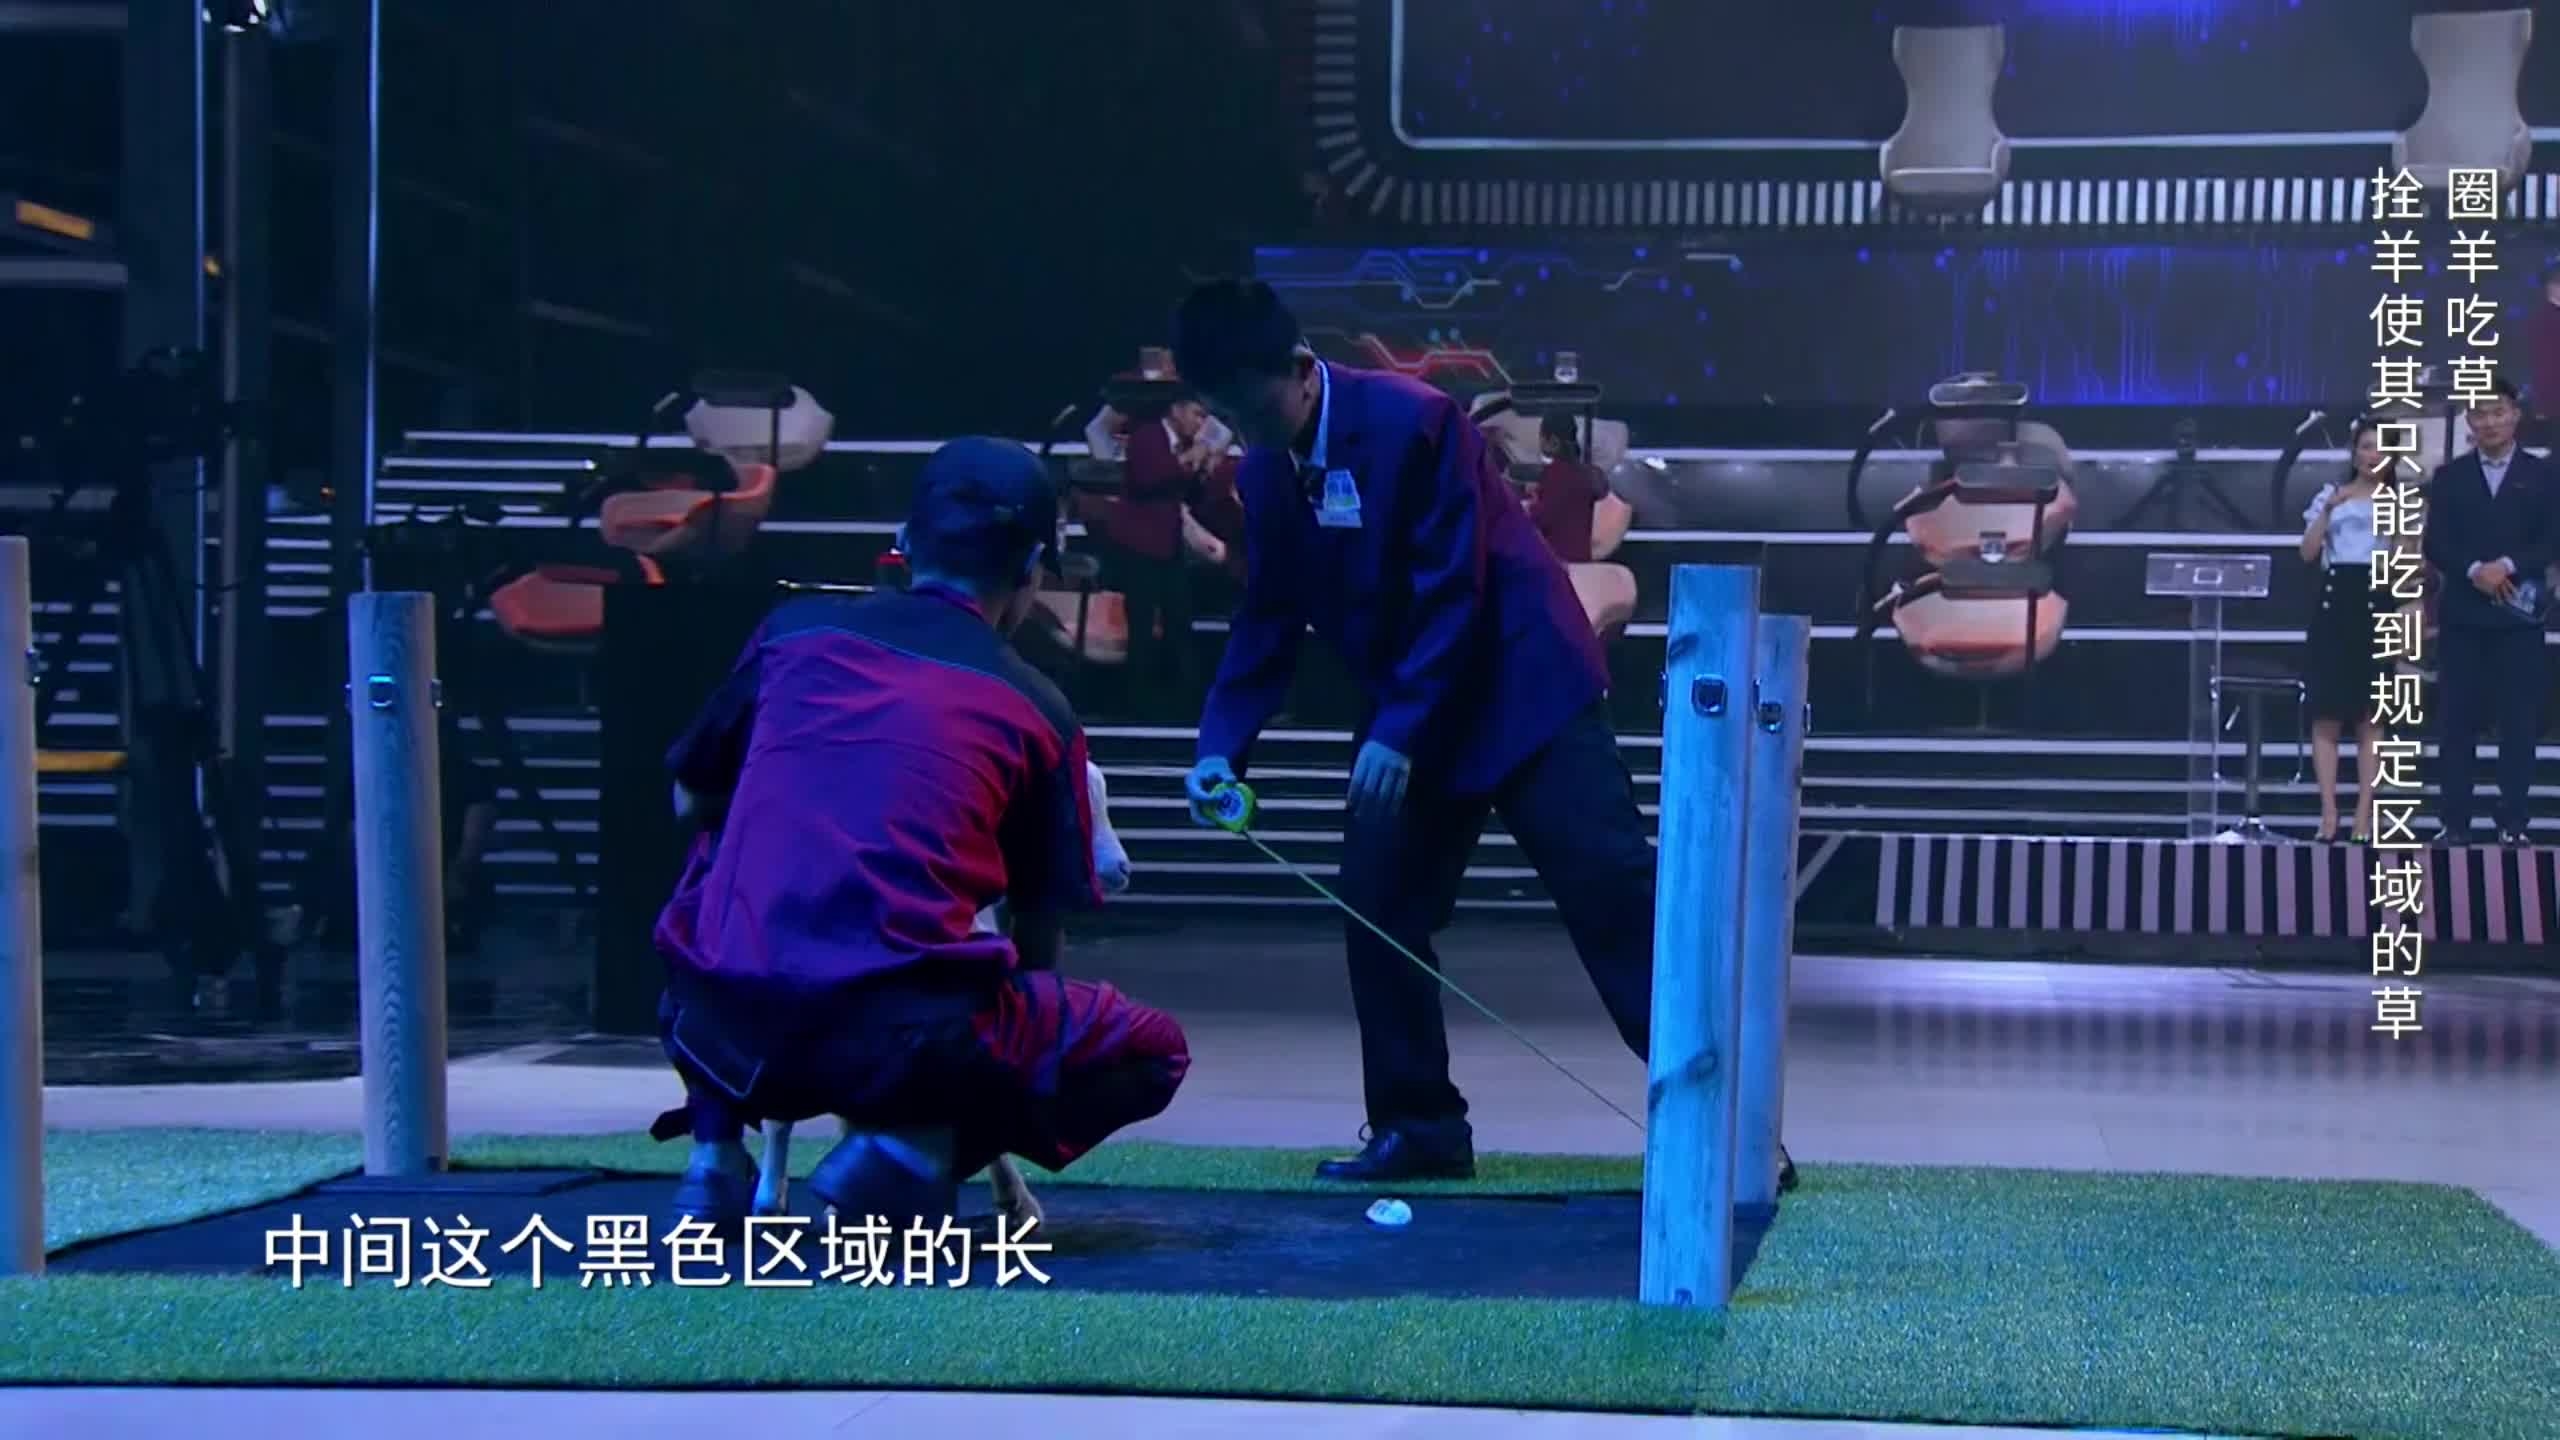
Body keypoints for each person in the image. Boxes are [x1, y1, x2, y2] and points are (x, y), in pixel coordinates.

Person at [1170, 278, 1664, 1184]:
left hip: (1523, 688)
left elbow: (1453, 588)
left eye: (1254, 410)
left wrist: (1395, 731)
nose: (1246, 432)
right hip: (1414, 702)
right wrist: (1217, 749)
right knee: (1378, 900)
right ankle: (1419, 1127)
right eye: (1226, 418)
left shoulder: (1417, 421)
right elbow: (1267, 619)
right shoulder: (1265, 473)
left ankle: (1727, 1129)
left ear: (1301, 369)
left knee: (1615, 902)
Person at [652, 436, 1191, 1223]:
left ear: (903, 544)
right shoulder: (1036, 705)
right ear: (1034, 568)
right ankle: (904, 1152)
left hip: (720, 1024)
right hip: (895, 1048)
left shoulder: (791, 632)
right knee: (1154, 1048)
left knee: (719, 829)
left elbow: (686, 794)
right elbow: (1040, 924)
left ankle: (714, 1156)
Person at [2421, 377, 2556, 844]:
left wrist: (2508, 566)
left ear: (2516, 414)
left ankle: (2513, 823)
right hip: (2463, 618)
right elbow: (2436, 543)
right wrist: (2475, 569)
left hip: (2519, 620)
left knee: (2518, 724)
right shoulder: (2450, 477)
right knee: (2456, 724)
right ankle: (2455, 824)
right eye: (2480, 414)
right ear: (2469, 422)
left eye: (2498, 411)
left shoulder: (2544, 475)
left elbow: (2552, 539)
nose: (2490, 422)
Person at [2297, 420, 2389, 842]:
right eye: (2367, 447)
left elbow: (2411, 564)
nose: (2374, 455)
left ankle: (2364, 814)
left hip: (2377, 604)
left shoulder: (2402, 502)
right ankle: (2329, 813)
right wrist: (2330, 509)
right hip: (2334, 607)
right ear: (2354, 453)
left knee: (2371, 717)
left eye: (2382, 448)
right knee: (2326, 715)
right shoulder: (2330, 496)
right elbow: (2307, 553)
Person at [1526, 412, 1604, 564]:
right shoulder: (1586, 474)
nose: (1539, 441)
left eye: (1541, 437)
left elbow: (1543, 517)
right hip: (1582, 559)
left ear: (1553, 441)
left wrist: (1528, 507)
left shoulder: (1553, 473)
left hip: (1558, 559)